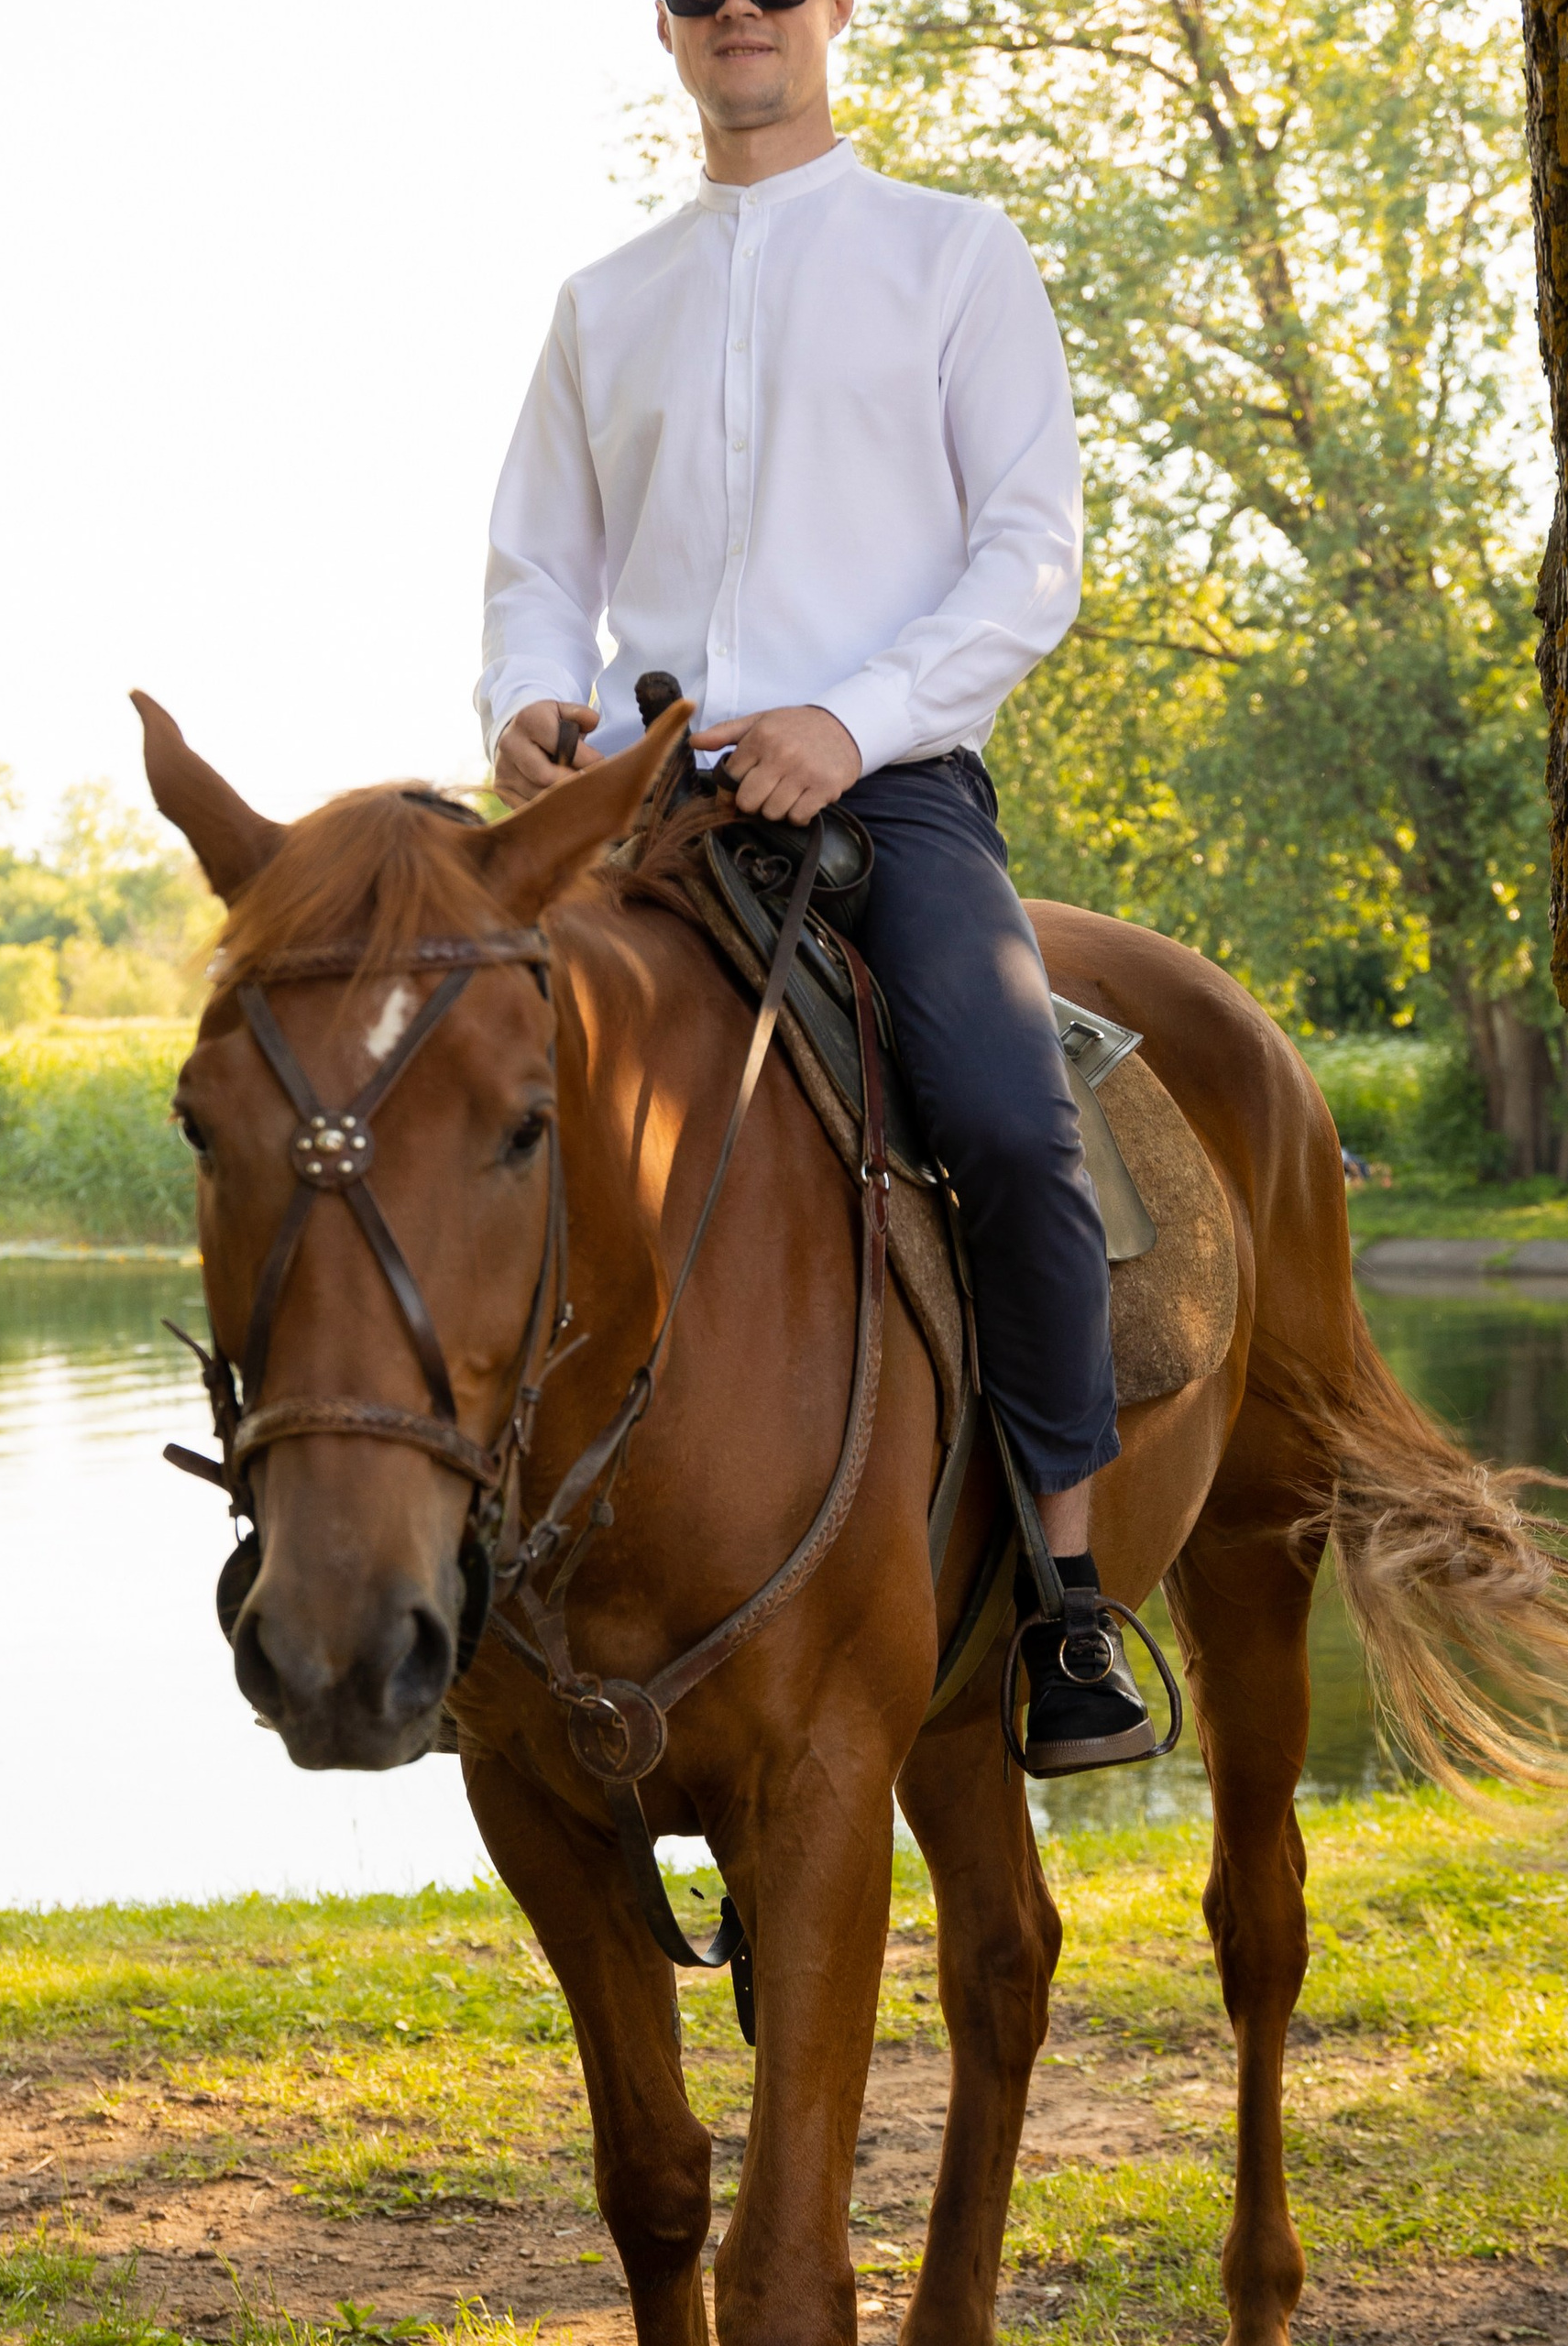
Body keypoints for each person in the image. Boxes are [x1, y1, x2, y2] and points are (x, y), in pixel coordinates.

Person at [475, 0, 1152, 1770]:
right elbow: (537, 567)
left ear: (836, 9)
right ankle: (455, 1569)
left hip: (891, 793)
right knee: (440, 1095)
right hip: (645, 805)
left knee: (1008, 1127)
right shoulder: (601, 303)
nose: (740, 16)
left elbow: (1030, 556)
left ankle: (1070, 1607)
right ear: (669, 28)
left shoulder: (956, 253)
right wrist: (525, 708)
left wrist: (848, 726)